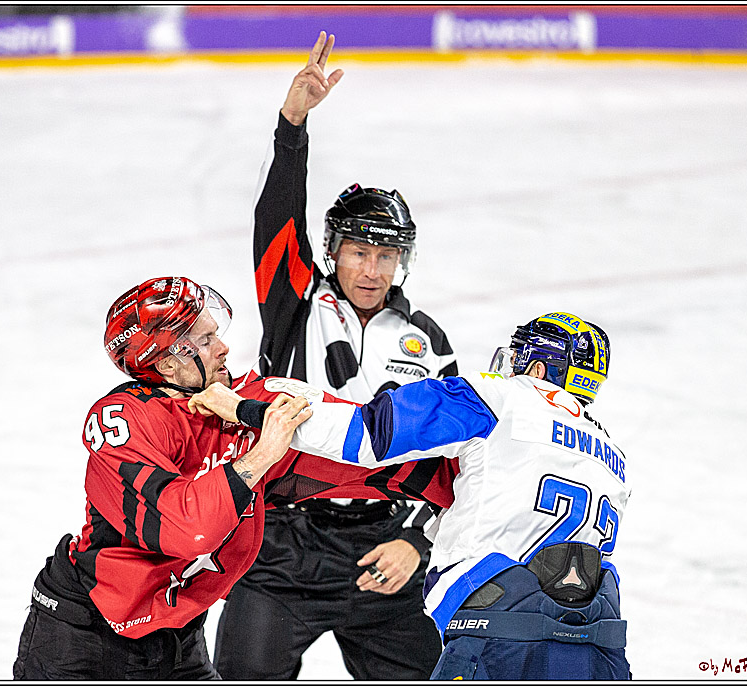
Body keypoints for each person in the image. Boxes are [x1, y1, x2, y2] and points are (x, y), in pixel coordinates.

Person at [11, 276, 458, 681]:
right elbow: (189, 527)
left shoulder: (243, 397)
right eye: (205, 339)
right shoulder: (122, 420)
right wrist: (263, 452)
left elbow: (354, 440)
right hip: (84, 629)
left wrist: (461, 463)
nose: (223, 347)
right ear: (167, 364)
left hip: (176, 631)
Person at [194, 311, 632, 680]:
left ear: (536, 369)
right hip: (600, 647)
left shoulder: (497, 398)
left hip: (502, 639)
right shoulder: (612, 455)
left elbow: (365, 436)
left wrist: (242, 409)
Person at [213, 31, 456, 680]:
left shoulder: (429, 342)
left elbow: (448, 460)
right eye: (359, 251)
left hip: (381, 553)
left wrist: (411, 537)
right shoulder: (295, 298)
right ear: (334, 249)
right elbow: (276, 218)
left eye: (385, 254)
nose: (372, 268)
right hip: (282, 548)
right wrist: (293, 126)